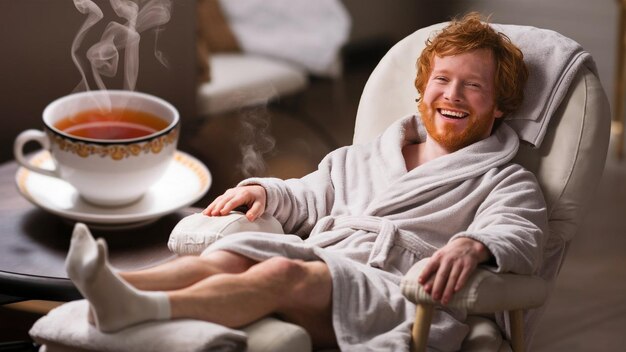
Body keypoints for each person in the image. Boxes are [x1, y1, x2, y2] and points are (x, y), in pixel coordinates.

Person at [65, 12, 546, 352]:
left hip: (397, 294)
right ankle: (106, 287)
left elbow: (519, 233)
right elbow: (309, 194)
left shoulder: (505, 179)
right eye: (443, 79)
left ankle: (140, 310)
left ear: (500, 105)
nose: (452, 95)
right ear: (423, 90)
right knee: (237, 253)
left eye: (473, 85)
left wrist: (472, 245)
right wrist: (266, 191)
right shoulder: (365, 156)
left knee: (279, 272)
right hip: (328, 266)